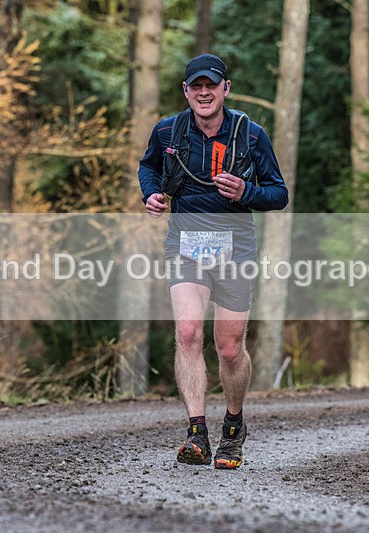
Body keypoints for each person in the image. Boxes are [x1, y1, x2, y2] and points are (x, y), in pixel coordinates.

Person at [138, 54, 288, 469]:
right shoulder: (168, 130)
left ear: (225, 89)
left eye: (212, 85)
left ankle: (234, 429)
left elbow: (279, 193)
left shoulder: (250, 134)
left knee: (228, 347)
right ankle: (196, 433)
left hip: (235, 246)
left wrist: (246, 192)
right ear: (186, 91)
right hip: (185, 241)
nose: (204, 93)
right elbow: (148, 166)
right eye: (195, 86)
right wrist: (150, 193)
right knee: (187, 332)